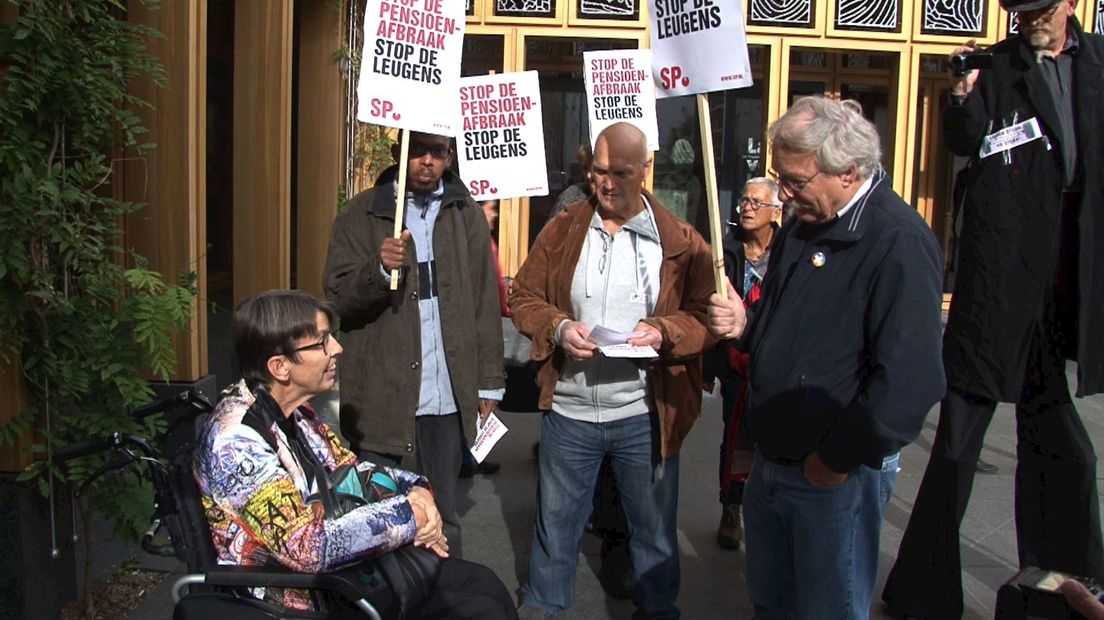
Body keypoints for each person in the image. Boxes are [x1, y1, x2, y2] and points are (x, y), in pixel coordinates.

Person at [883, 1, 1104, 616]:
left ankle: (1066, 589)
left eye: (1038, 9)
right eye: (1019, 10)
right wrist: (959, 96)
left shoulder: (1098, 64)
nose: (1027, 20)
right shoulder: (994, 67)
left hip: (1067, 284)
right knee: (958, 441)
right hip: (998, 288)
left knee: (1061, 447)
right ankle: (924, 591)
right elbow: (963, 136)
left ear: (1066, 7)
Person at [708, 96, 945, 619]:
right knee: (773, 604)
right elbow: (781, 320)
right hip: (773, 460)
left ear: (848, 171)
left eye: (794, 180)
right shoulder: (802, 224)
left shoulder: (898, 241)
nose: (784, 195)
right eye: (779, 177)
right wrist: (745, 329)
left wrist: (836, 459)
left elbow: (910, 381)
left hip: (835, 475)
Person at [193, 290, 517, 618]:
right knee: (479, 610)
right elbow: (309, 546)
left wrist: (418, 490)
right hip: (298, 597)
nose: (337, 348)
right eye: (321, 342)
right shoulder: (235, 443)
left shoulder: (293, 412)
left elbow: (349, 470)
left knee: (483, 583)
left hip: (343, 574)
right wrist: (410, 516)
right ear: (280, 366)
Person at [509, 122, 715, 619]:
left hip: (644, 415)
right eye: (598, 171)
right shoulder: (563, 228)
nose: (607, 183)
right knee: (555, 531)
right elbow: (523, 296)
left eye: (620, 172)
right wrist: (559, 328)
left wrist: (664, 331)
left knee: (653, 538)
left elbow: (706, 316)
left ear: (646, 170)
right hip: (570, 412)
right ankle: (542, 609)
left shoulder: (682, 242)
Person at [323, 131, 506, 559]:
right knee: (380, 521)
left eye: (437, 152)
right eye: (417, 150)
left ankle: (445, 601)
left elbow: (484, 301)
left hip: (445, 400)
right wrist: (377, 268)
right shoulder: (360, 215)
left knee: (443, 518)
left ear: (449, 156)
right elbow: (336, 299)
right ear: (398, 153)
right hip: (383, 398)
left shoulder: (465, 215)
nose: (427, 161)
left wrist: (489, 381)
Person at [705, 177, 782, 550]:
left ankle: (771, 510)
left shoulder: (789, 250)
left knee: (775, 437)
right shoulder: (727, 249)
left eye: (757, 202)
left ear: (775, 212)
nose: (748, 207)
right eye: (744, 200)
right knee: (735, 436)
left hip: (776, 361)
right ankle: (731, 506)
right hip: (736, 362)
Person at [546, 143, 593, 223]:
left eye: (594, 168)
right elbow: (551, 232)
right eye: (585, 168)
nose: (589, 175)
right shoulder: (572, 197)